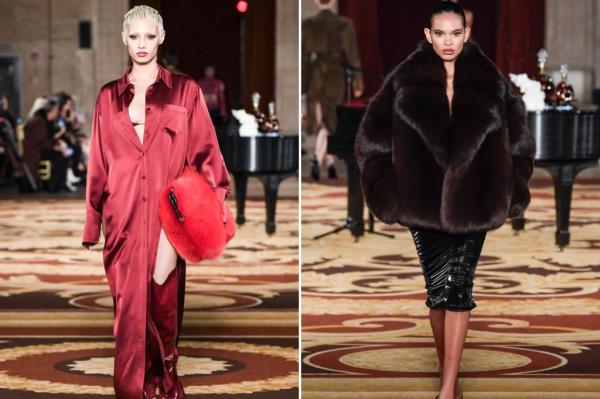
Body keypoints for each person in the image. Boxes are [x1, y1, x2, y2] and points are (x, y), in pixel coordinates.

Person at [355, 2, 535, 399]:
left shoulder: (491, 81)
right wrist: (390, 194)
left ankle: (446, 390)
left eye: (455, 33)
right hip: (420, 204)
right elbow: (371, 141)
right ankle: (449, 380)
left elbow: (520, 142)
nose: (448, 41)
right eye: (440, 34)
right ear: (427, 35)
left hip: (474, 201)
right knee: (437, 293)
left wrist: (510, 189)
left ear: (467, 34)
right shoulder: (403, 80)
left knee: (459, 287)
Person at [81, 5, 230, 398]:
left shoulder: (185, 91)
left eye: (149, 36)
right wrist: (92, 222)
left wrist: (201, 222)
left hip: (169, 219)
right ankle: (131, 389)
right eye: (135, 37)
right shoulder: (107, 97)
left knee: (163, 304)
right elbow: (98, 162)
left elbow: (207, 158)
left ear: (161, 38)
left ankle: (163, 382)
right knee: (127, 311)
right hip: (122, 219)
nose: (142, 44)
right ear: (124, 40)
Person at [302, 0, 363, 180]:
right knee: (329, 123)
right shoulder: (345, 24)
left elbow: (305, 60)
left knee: (322, 121)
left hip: (316, 76)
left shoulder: (309, 25)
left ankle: (327, 163)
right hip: (335, 76)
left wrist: (303, 87)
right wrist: (358, 83)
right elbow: (353, 55)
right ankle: (319, 159)